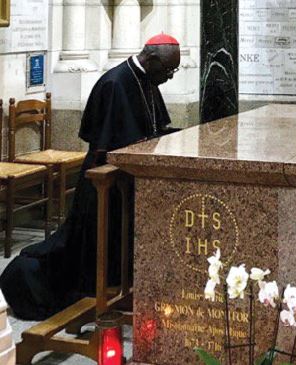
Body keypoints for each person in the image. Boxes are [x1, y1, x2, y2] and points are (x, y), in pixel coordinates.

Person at [0, 33, 181, 320]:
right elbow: (100, 142)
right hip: (103, 184)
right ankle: (97, 294)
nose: (170, 77)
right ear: (153, 58)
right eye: (169, 70)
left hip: (128, 183)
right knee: (93, 247)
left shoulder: (146, 80)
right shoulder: (114, 83)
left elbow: (153, 128)